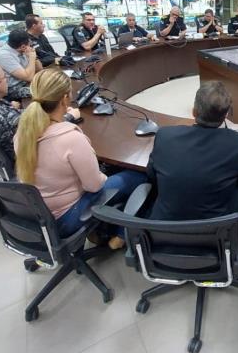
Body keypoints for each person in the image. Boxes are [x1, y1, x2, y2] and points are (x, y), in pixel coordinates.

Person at [14, 68, 146, 246]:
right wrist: (106, 176)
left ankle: (103, 228)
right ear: (65, 99)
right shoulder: (71, 138)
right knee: (137, 176)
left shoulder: (23, 133)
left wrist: (67, 118)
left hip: (37, 215)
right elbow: (94, 186)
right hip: (66, 218)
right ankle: (119, 234)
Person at [147, 81, 238, 223]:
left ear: (194, 111)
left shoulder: (165, 136)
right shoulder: (237, 143)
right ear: (225, 115)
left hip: (163, 231)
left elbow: (151, 174)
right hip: (215, 236)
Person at [0, 29, 41, 100]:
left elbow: (40, 69)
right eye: (29, 42)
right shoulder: (3, 56)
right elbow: (28, 77)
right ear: (23, 46)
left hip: (25, 84)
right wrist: (31, 58)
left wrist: (34, 57)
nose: (30, 44)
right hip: (11, 90)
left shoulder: (21, 50)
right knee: (43, 91)